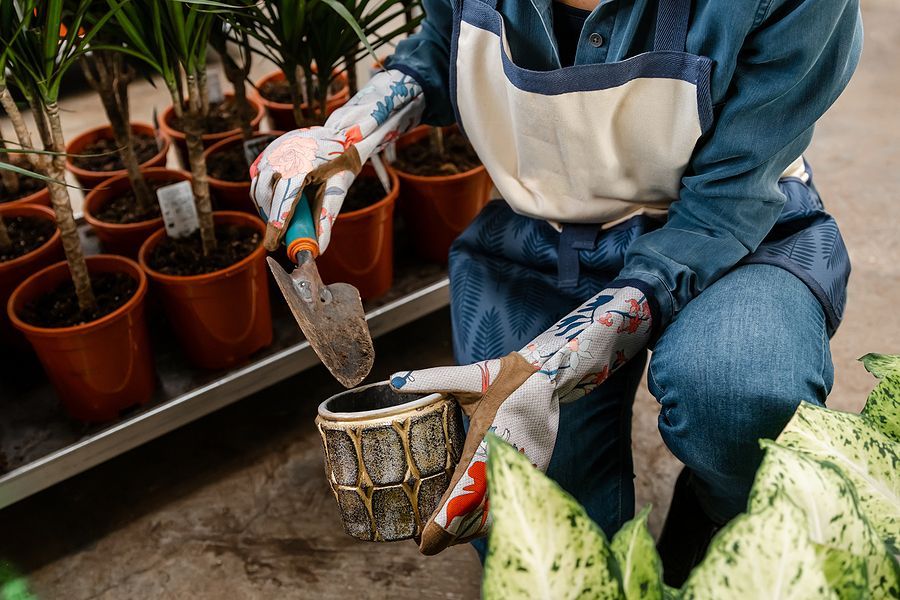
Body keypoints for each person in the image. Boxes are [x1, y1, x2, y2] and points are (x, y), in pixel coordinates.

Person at [250, 0, 862, 584]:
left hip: (734, 235)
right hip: (544, 242)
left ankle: (717, 511)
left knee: (737, 391)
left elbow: (724, 207)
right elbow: (446, 45)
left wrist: (552, 363)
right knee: (549, 542)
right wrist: (347, 133)